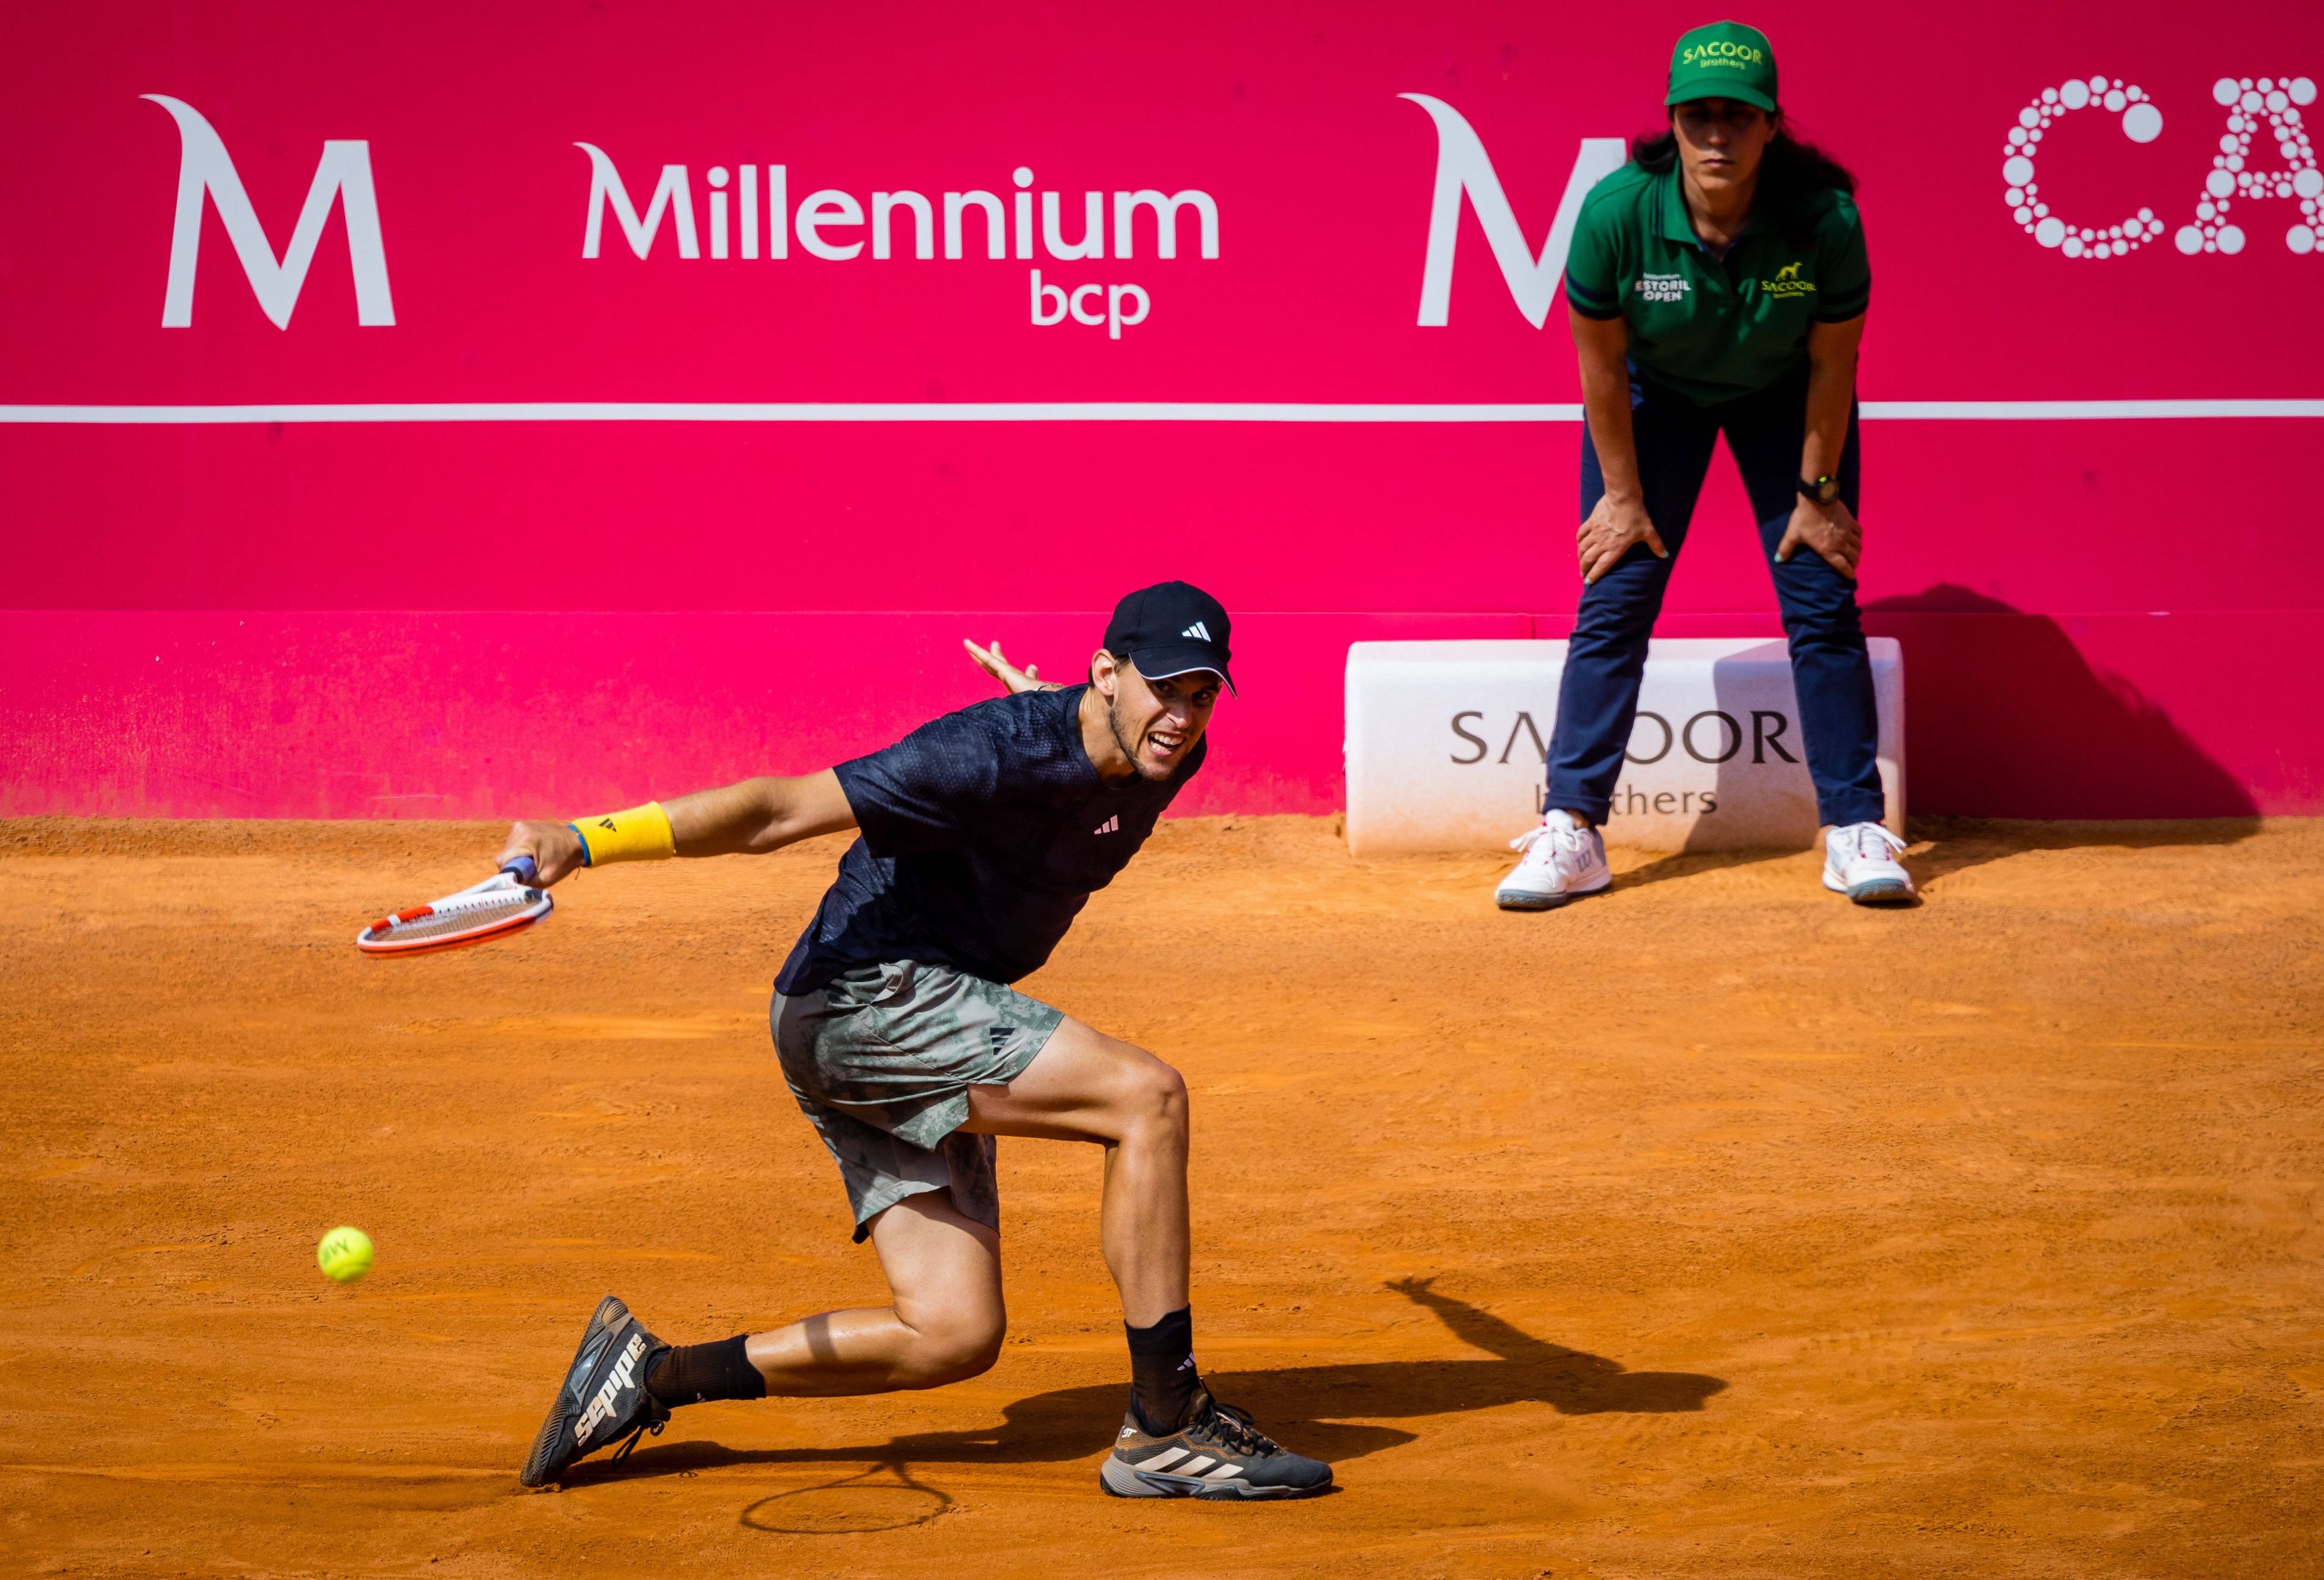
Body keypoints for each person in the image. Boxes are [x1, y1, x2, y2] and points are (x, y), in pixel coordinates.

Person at [504, 582, 1332, 1502]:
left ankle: (648, 1375)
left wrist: (1069, 729)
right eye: (1162, 689)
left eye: (1201, 693)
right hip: (862, 1000)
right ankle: (1168, 1424)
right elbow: (777, 810)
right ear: (1106, 672)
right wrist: (585, 838)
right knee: (1147, 1098)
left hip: (917, 1006)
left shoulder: (1165, 752)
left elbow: (1067, 785)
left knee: (951, 1332)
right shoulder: (979, 757)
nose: (1181, 716)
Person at [1494, 19, 1913, 911]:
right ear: (1672, 121)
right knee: (1615, 591)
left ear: (1772, 125)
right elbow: (1601, 370)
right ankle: (1573, 828)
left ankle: (1854, 828)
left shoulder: (1826, 219)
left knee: (1821, 594)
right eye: (1698, 116)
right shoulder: (1616, 215)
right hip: (1656, 401)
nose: (1716, 135)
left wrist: (1818, 494)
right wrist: (1620, 495)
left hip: (1785, 398)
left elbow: (1835, 364)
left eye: (1737, 115)